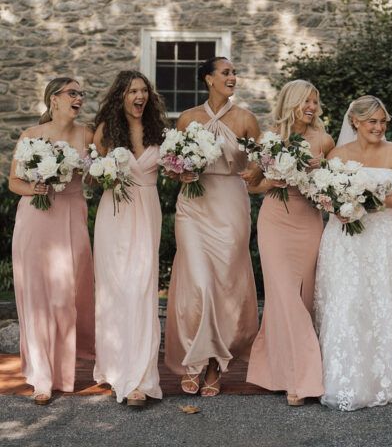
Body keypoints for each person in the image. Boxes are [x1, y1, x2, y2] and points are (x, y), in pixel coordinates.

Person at [314, 95, 392, 410]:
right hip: (345, 239)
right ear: (355, 123)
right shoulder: (338, 154)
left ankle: (389, 376)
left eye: (382, 121)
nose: (378, 127)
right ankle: (344, 378)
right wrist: (337, 206)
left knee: (383, 300)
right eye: (372, 122)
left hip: (385, 239)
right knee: (347, 302)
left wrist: (386, 199)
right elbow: (324, 192)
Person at [164, 56, 259, 397]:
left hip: (230, 204)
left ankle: (217, 363)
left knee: (225, 285)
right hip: (193, 204)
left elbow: (261, 166)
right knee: (198, 283)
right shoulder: (188, 118)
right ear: (208, 79)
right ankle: (194, 362)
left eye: (234, 72)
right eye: (226, 72)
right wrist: (181, 171)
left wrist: (254, 174)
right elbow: (170, 165)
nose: (233, 77)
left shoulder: (246, 119)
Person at [247, 80, 334, 405]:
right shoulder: (270, 138)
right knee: (284, 295)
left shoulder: (324, 140)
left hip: (308, 220)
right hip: (275, 221)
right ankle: (303, 378)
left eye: (315, 101)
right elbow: (252, 185)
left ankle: (282, 371)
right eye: (305, 101)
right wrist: (274, 179)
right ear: (290, 103)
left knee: (304, 296)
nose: (311, 107)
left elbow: (331, 187)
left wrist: (317, 172)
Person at [10, 77, 94, 404]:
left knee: (64, 296)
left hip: (71, 214)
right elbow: (15, 181)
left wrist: (94, 172)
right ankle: (42, 378)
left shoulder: (87, 134)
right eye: (72, 93)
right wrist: (37, 188)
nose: (79, 98)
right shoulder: (30, 136)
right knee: (35, 297)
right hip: (35, 218)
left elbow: (95, 171)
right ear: (54, 98)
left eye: (81, 94)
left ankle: (63, 372)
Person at [93, 70, 165, 406]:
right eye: (132, 91)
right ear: (120, 96)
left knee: (142, 289)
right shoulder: (107, 131)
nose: (140, 97)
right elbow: (93, 175)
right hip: (116, 214)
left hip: (147, 211)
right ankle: (115, 368)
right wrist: (104, 175)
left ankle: (140, 379)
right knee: (116, 290)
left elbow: (176, 169)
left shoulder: (158, 132)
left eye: (144, 91)